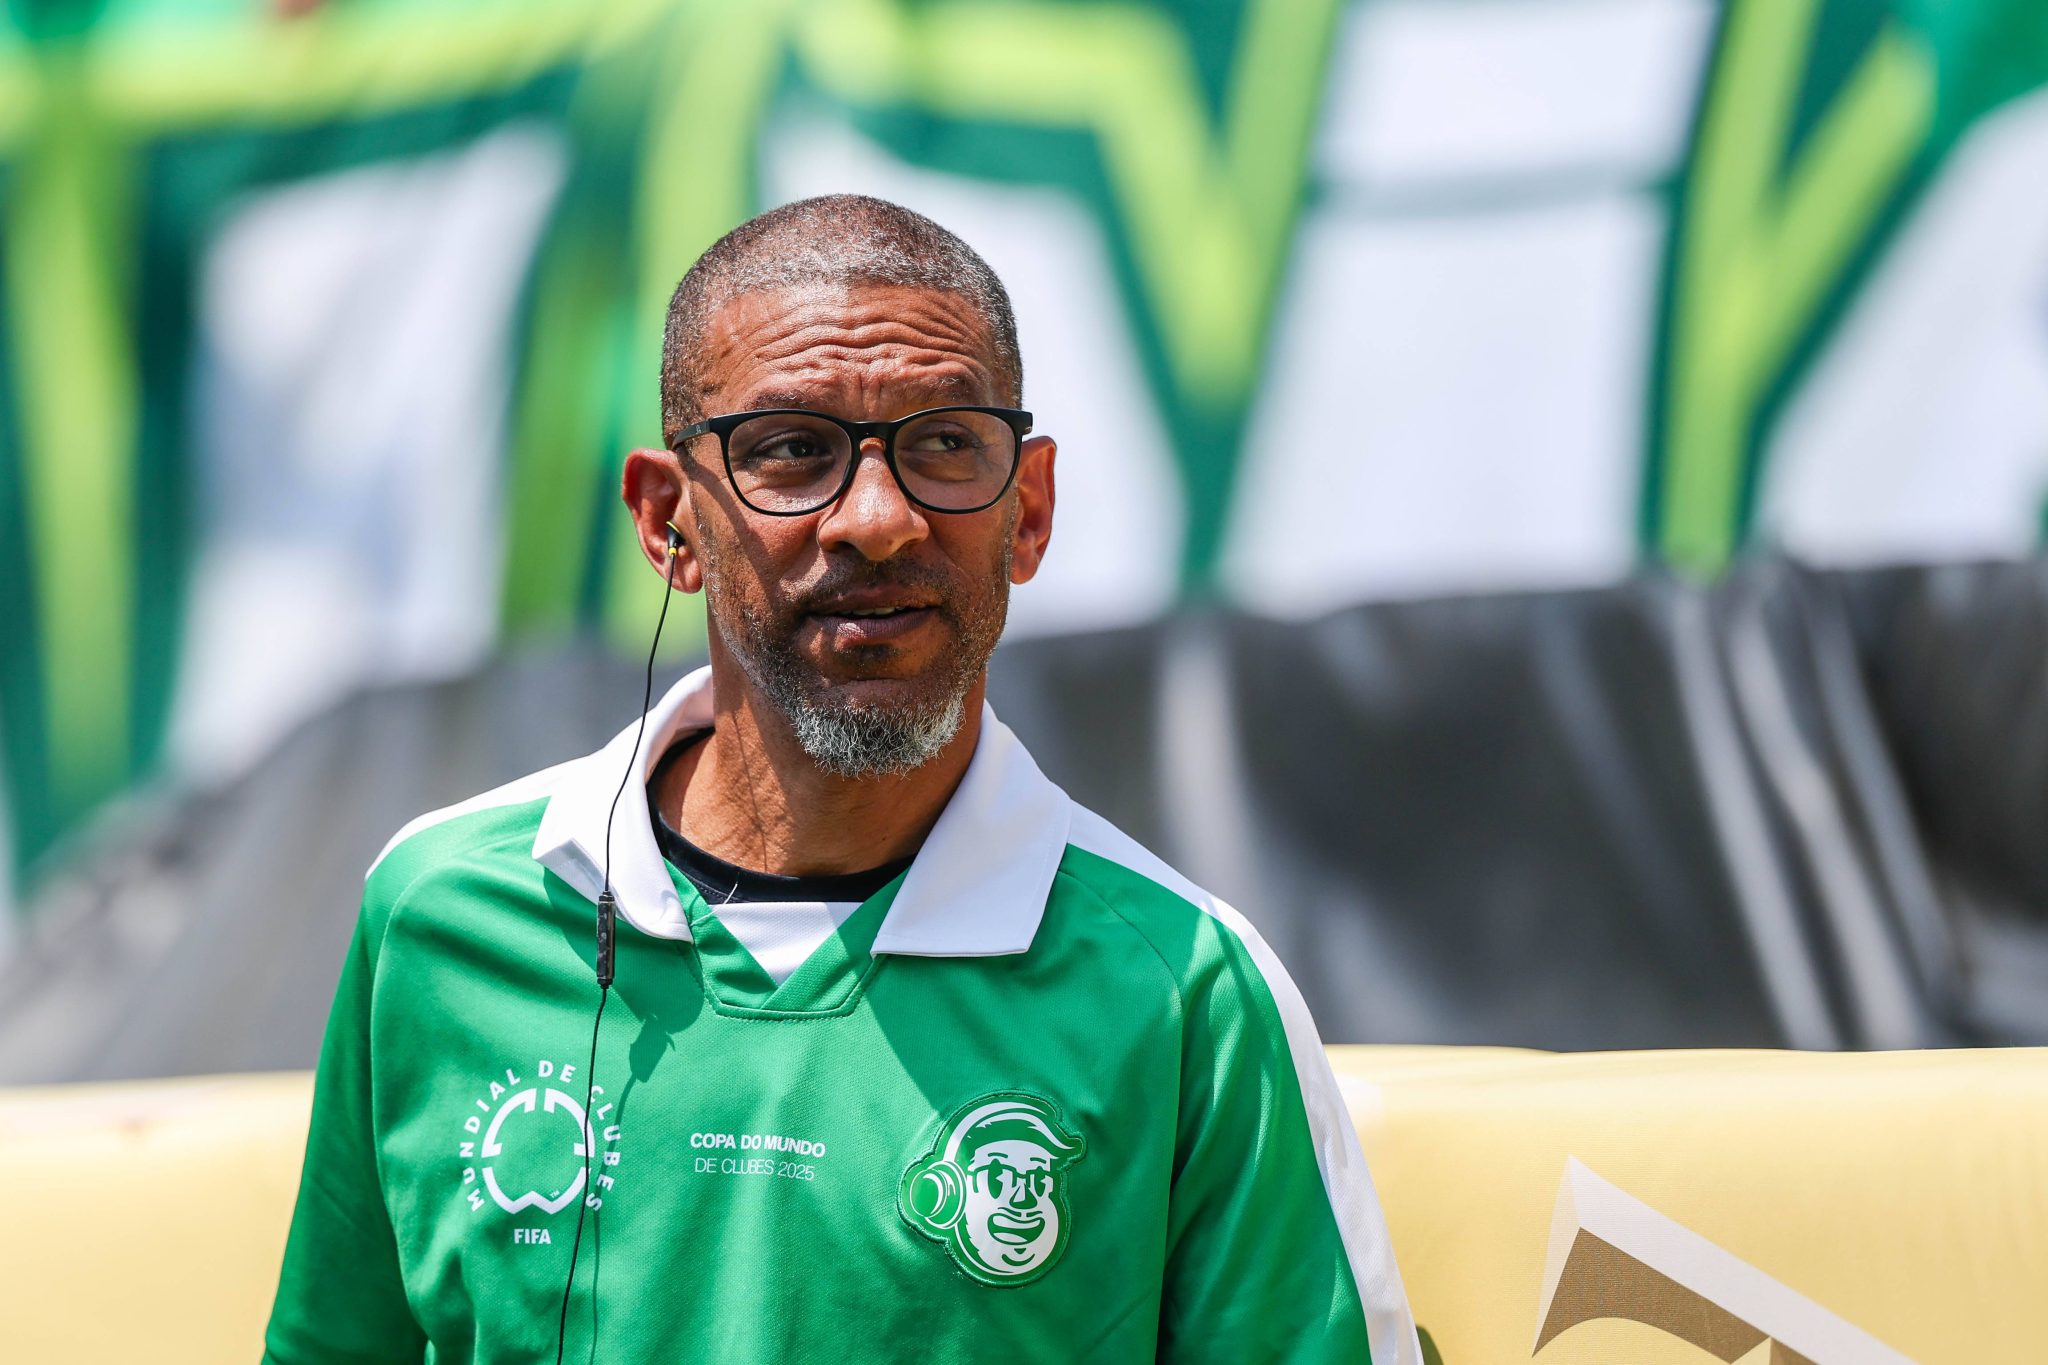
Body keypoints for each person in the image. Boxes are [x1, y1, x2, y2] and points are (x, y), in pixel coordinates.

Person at [263, 194, 1419, 1364]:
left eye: (944, 445)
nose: (877, 518)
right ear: (669, 525)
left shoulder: (1186, 991)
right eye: (791, 451)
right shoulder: (437, 916)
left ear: (1027, 511)